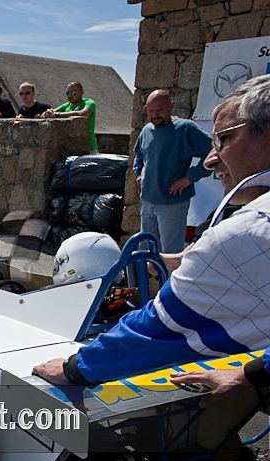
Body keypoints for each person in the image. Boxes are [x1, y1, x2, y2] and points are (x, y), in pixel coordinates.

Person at [32, 74, 270, 399]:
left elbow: (159, 329)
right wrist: (254, 371)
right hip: (152, 201)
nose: (214, 157)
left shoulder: (248, 228)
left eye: (225, 140)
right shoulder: (147, 132)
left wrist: (75, 368)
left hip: (173, 203)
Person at [132, 90, 213, 254]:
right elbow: (139, 154)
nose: (155, 115)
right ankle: (153, 281)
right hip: (148, 202)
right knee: (147, 251)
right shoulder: (147, 130)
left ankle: (169, 281)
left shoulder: (185, 129)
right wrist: (139, 173)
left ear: (171, 106)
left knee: (170, 254)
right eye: (151, 111)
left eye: (160, 110)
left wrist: (189, 178)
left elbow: (212, 153)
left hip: (172, 204)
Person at [42, 82, 99, 153]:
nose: (70, 95)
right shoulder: (66, 105)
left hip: (89, 148)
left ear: (81, 92)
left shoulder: (89, 102)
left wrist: (57, 115)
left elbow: (83, 113)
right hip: (71, 148)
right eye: (67, 93)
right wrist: (47, 113)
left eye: (74, 92)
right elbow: (46, 114)